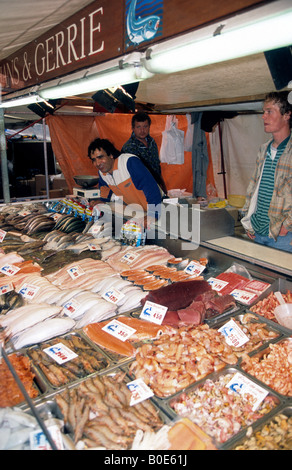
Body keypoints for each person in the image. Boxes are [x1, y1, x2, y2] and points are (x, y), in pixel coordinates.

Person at [241, 91, 292, 253]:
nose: (263, 117)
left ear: (287, 115)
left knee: (281, 278)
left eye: (269, 111)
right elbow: (253, 188)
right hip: (258, 231)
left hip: (282, 236)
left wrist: (287, 224)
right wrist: (248, 220)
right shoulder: (264, 149)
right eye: (264, 112)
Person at [87, 138, 162, 221]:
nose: (97, 163)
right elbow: (104, 189)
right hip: (139, 211)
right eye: (94, 160)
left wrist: (153, 214)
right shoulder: (103, 173)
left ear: (111, 154)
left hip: (159, 208)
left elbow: (151, 188)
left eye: (100, 157)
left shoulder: (129, 162)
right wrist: (103, 201)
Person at [122, 111, 167, 194]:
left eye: (145, 126)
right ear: (133, 128)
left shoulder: (152, 142)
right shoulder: (129, 147)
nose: (142, 130)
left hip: (156, 184)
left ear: (149, 127)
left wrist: (161, 183)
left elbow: (156, 165)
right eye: (138, 127)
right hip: (140, 189)